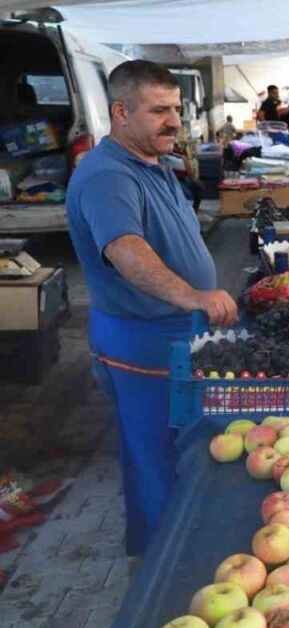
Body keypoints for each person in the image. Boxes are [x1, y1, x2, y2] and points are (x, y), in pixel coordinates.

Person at [67, 61, 238, 555]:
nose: (174, 121)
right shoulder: (105, 175)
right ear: (121, 112)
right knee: (153, 459)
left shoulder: (154, 164)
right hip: (139, 342)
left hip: (176, 335)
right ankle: (157, 573)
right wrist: (195, 296)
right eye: (159, 110)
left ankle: (182, 551)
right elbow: (125, 249)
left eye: (177, 110)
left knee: (179, 448)